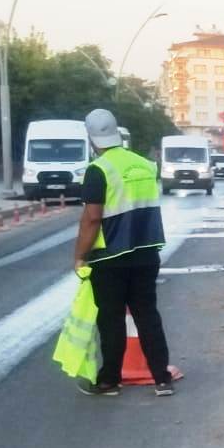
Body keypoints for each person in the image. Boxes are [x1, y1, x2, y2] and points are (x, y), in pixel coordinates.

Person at [74, 108, 172, 397]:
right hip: (147, 253)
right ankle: (162, 379)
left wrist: (80, 254)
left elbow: (92, 218)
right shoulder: (145, 165)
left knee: (111, 319)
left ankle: (109, 381)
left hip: (110, 258)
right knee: (147, 315)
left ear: (91, 139)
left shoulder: (98, 170)